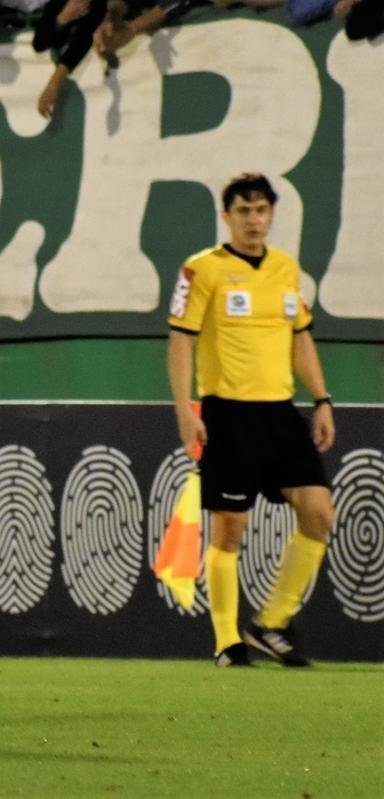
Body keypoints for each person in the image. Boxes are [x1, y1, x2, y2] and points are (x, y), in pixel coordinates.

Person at [166, 173, 335, 669]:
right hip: (228, 412)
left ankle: (271, 623)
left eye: (262, 210)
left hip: (280, 413)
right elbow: (180, 341)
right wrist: (185, 412)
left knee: (319, 513)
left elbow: (300, 337)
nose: (254, 219)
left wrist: (321, 398)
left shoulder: (286, 269)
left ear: (271, 214)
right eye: (244, 211)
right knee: (230, 529)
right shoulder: (202, 270)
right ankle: (227, 642)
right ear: (227, 216)